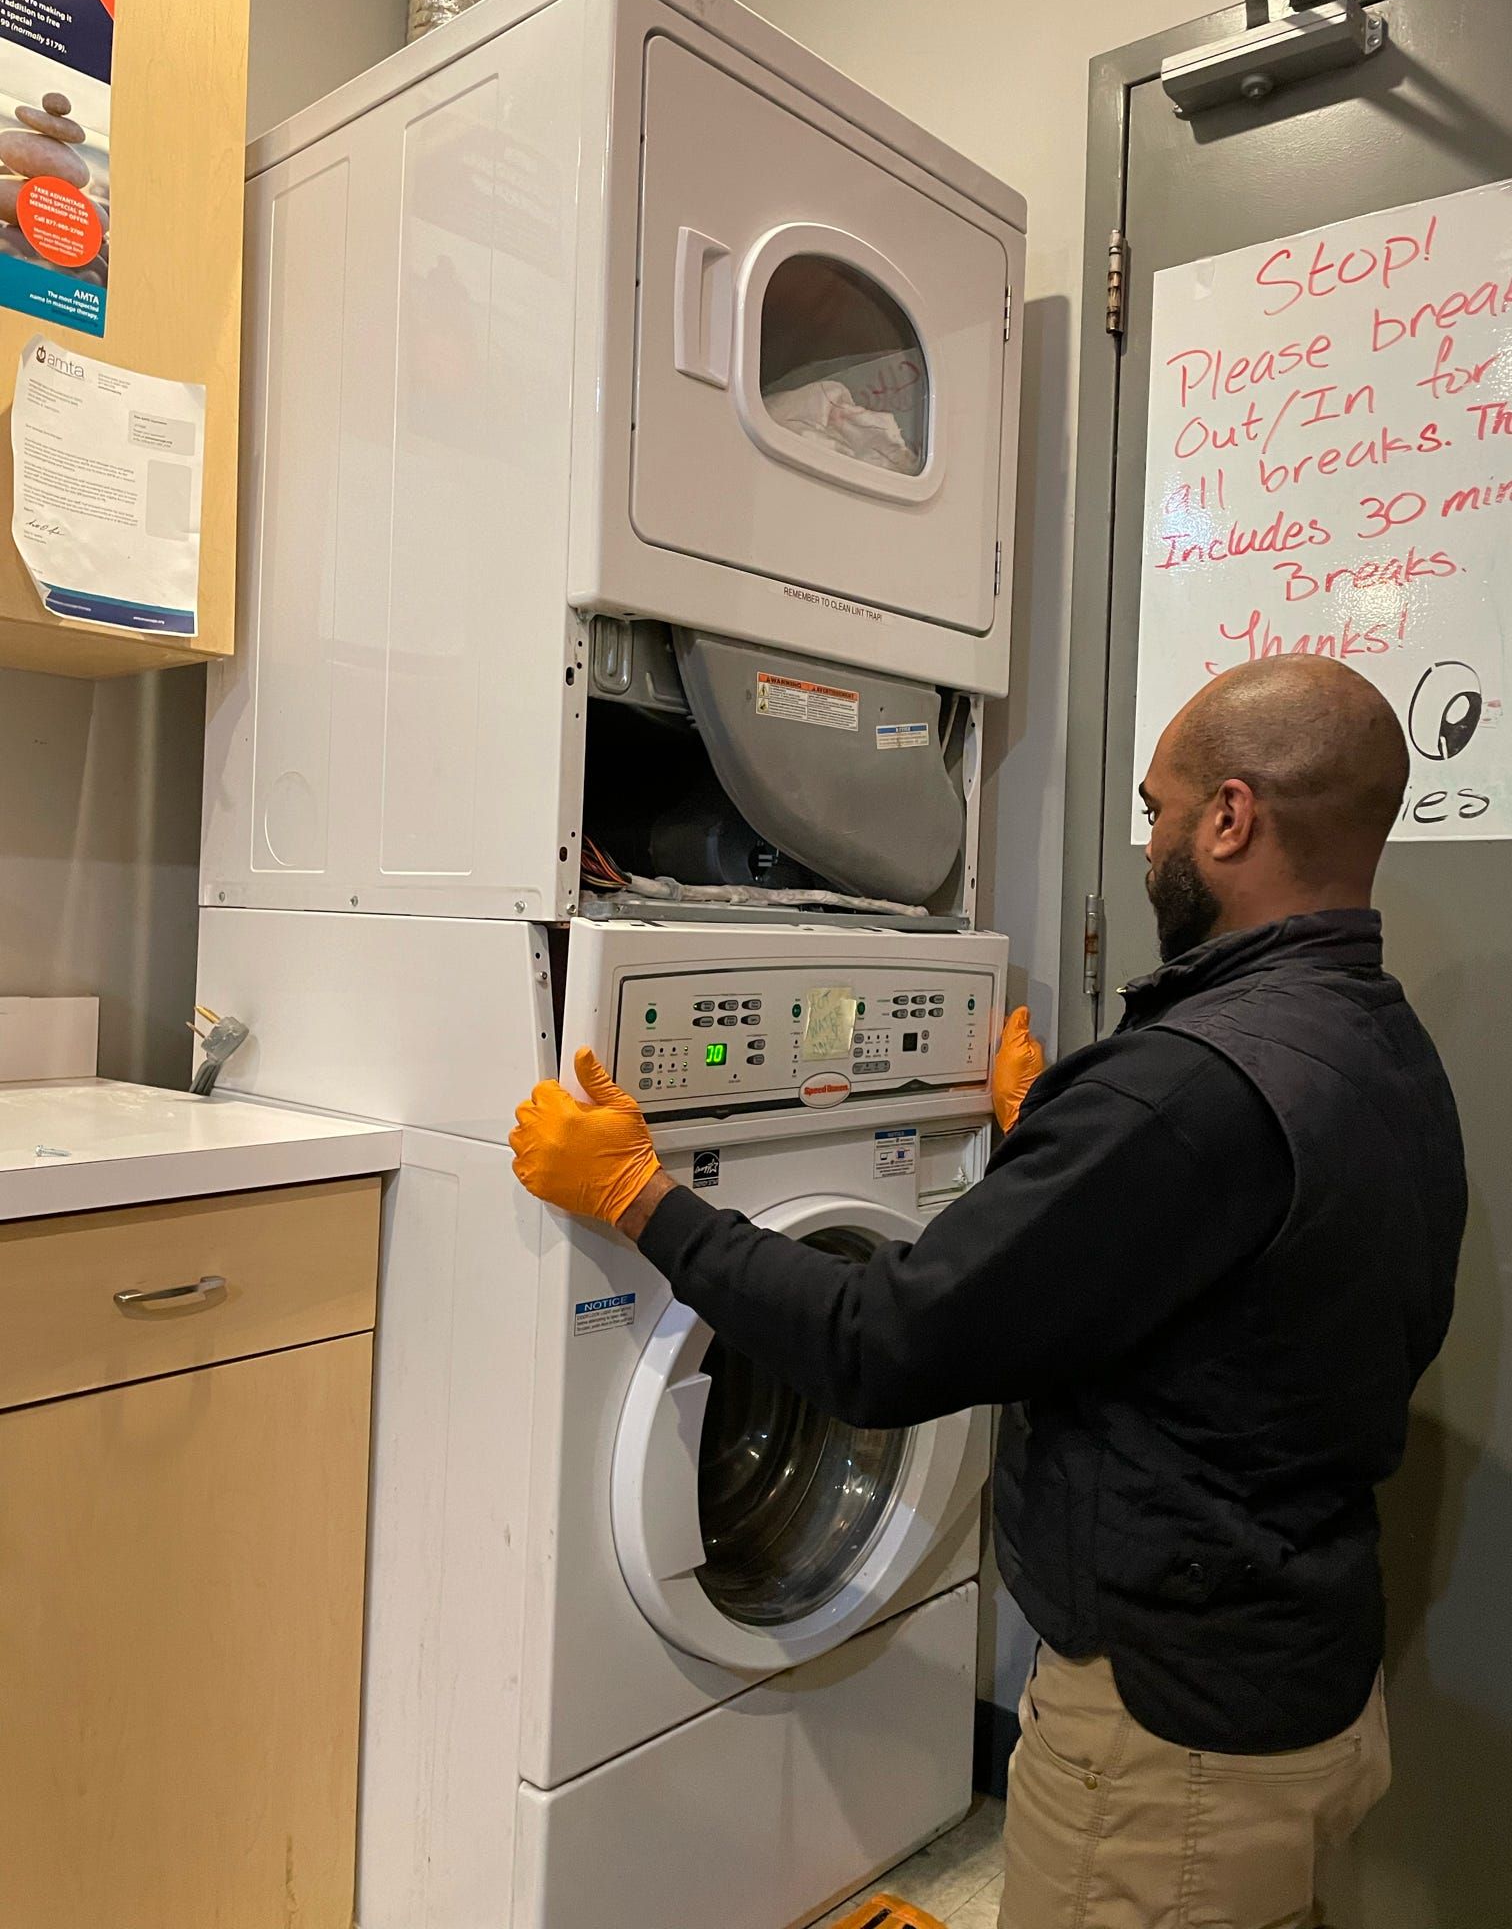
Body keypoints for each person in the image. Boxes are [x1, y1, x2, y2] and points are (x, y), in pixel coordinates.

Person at [510, 656, 1464, 1929]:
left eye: (1159, 807)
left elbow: (879, 1345)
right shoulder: (1377, 1039)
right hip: (1306, 1679)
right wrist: (1059, 1160)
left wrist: (640, 1195)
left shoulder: (1182, 1094)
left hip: (1169, 1743)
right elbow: (1236, 1292)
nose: (1147, 844)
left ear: (1231, 819)